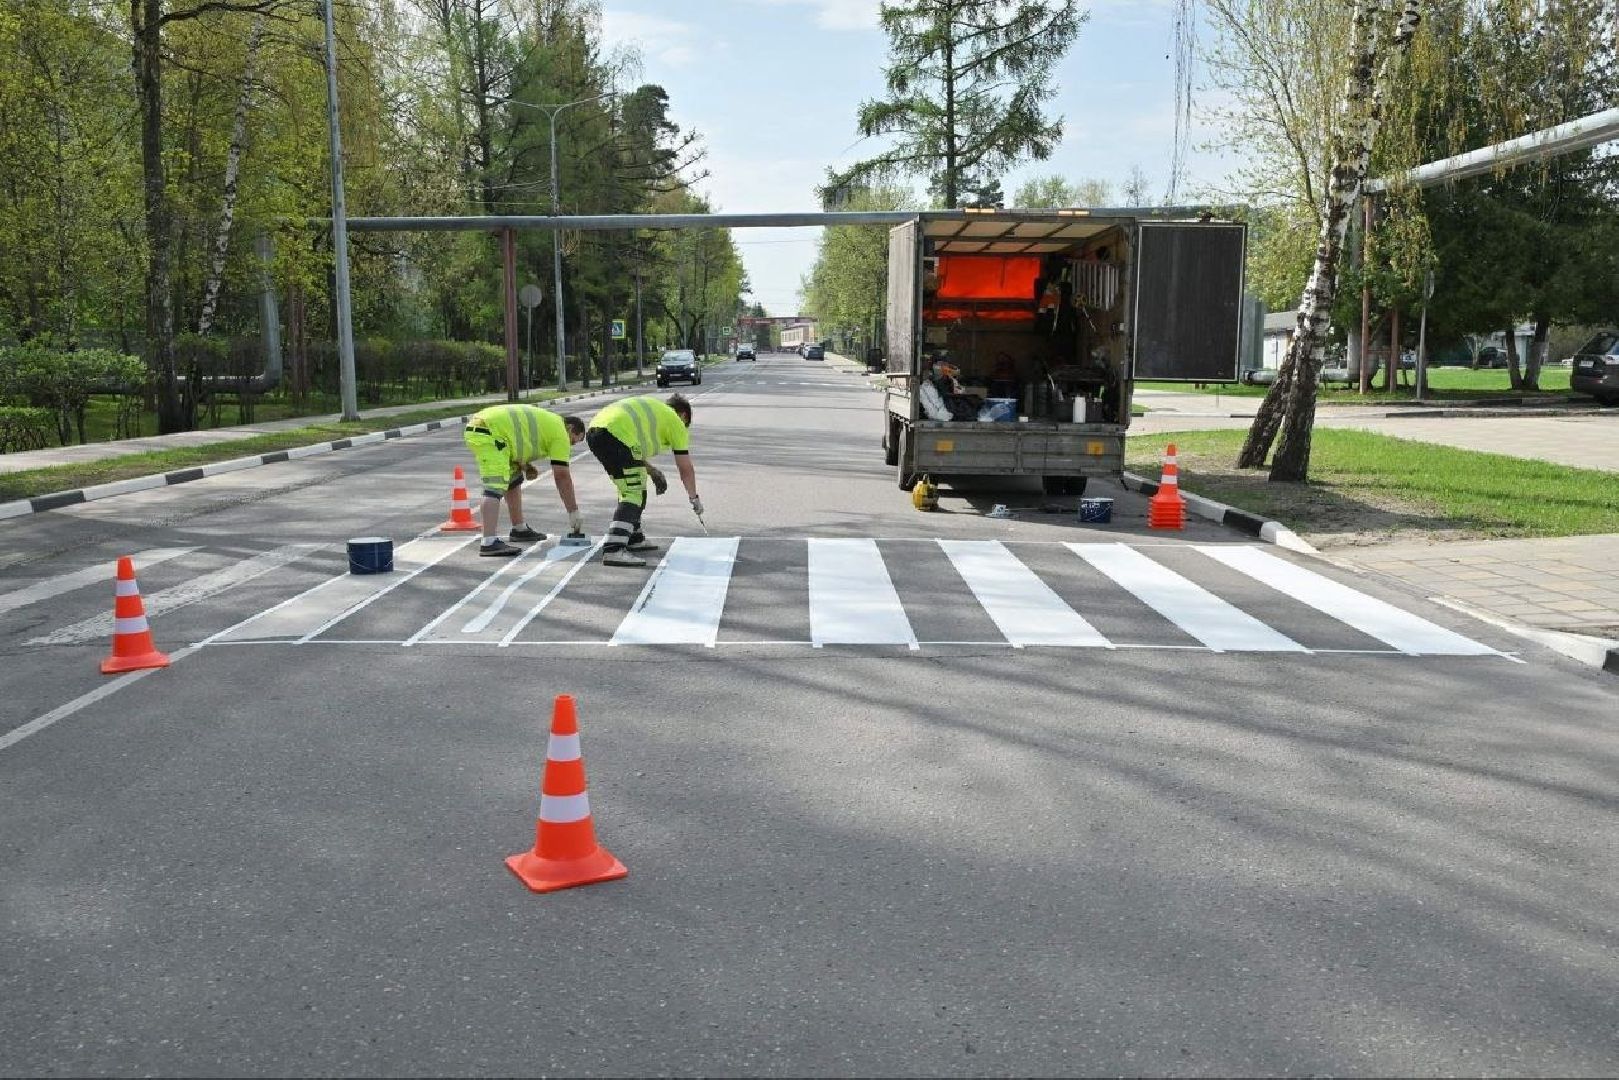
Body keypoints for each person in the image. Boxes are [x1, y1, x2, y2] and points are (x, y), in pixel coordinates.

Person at [585, 393, 701, 568]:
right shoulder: (676, 422)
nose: (684, 429)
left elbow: (633, 454)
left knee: (631, 485)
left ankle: (634, 537)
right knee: (634, 490)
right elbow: (685, 468)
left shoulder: (655, 412)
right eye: (686, 424)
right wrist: (694, 498)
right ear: (683, 415)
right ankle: (614, 548)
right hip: (614, 434)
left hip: (596, 431)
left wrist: (652, 471)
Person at [462, 403, 586, 557]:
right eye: (573, 441)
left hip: (491, 428)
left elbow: (521, 437)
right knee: (494, 486)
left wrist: (525, 466)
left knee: (514, 479)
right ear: (570, 428)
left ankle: (519, 529)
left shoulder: (551, 423)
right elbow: (561, 475)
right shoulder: (561, 433)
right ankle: (489, 542)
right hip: (490, 433)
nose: (570, 445)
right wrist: (573, 511)